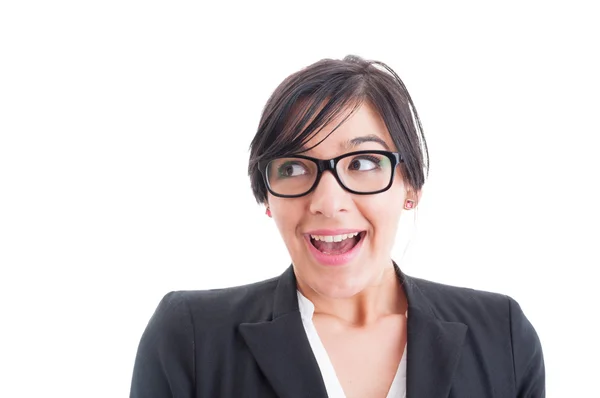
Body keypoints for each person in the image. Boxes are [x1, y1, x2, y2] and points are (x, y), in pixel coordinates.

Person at [129, 55, 545, 398]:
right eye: (292, 167)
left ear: (410, 187)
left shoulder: (501, 336)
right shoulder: (191, 338)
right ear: (268, 198)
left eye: (362, 163)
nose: (327, 203)